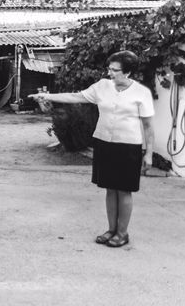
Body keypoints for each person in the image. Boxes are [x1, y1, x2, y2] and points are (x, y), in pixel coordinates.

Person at [28, 50, 155, 248]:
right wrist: (47, 95)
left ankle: (122, 233)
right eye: (109, 69)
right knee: (110, 188)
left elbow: (148, 126)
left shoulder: (141, 93)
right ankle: (111, 229)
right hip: (104, 142)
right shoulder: (102, 86)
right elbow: (76, 96)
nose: (110, 73)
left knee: (124, 190)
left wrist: (149, 155)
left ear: (128, 72)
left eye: (115, 70)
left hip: (128, 146)